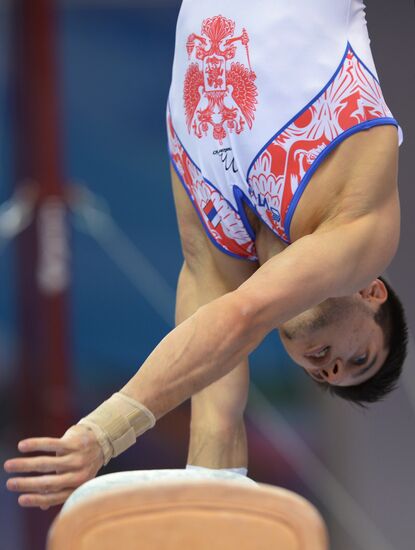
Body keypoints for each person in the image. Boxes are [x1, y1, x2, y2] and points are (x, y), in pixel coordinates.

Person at [3, 0, 408, 510]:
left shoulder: (217, 256)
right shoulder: (364, 234)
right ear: (373, 291)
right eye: (359, 357)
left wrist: (207, 513)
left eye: (326, 377)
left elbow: (214, 438)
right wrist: (102, 436)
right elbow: (244, 317)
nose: (330, 367)